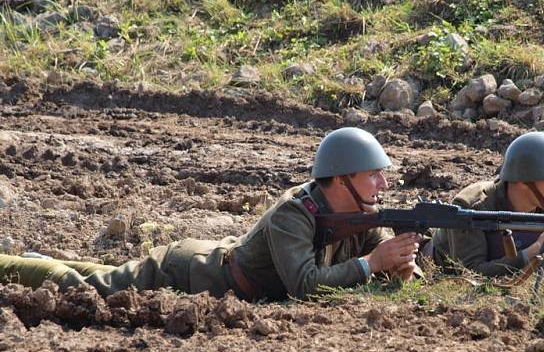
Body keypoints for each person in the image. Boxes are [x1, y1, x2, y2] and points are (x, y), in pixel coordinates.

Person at [0, 128, 420, 302]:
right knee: (89, 287)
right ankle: (11, 267)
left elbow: (372, 265)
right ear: (340, 179)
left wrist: (397, 268)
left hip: (208, 270)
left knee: (96, 273)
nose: (382, 186)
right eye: (372, 177)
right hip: (187, 272)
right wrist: (372, 263)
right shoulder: (293, 214)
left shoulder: (359, 214)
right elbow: (305, 285)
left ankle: (39, 265)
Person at [430, 131, 544, 277]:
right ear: (524, 180)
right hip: (431, 265)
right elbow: (469, 273)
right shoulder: (472, 207)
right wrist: (532, 253)